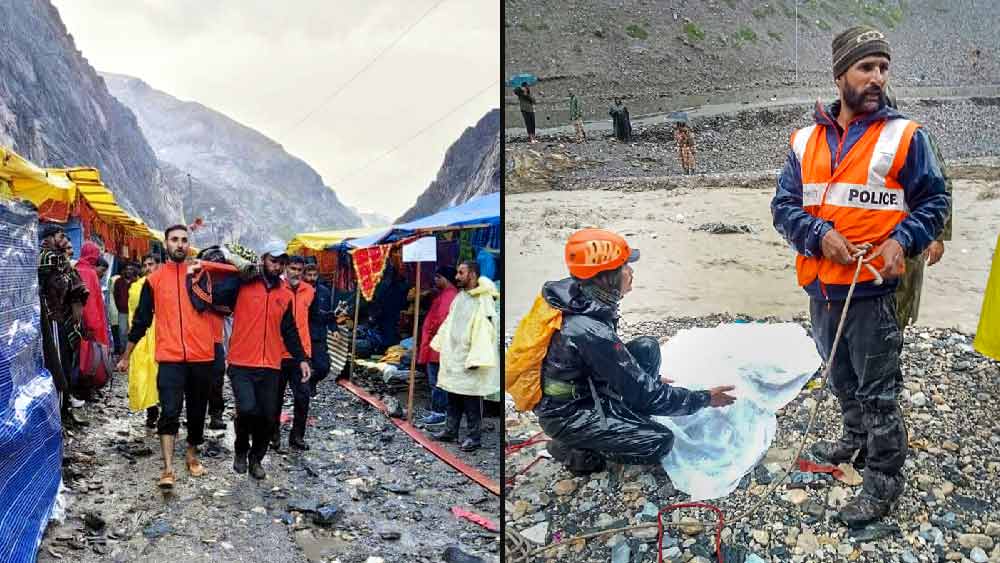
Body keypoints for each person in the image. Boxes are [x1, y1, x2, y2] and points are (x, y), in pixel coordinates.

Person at [770, 26, 950, 526]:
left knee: (879, 391)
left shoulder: (906, 136)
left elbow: (936, 201)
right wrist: (818, 235)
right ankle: (854, 441)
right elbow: (783, 206)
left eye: (883, 68)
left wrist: (901, 241)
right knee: (841, 378)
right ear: (840, 74)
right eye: (866, 67)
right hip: (822, 288)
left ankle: (883, 481)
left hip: (874, 292)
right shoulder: (805, 140)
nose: (877, 78)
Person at [524, 229, 734, 473]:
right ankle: (575, 449)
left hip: (585, 390)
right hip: (568, 413)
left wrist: (639, 379)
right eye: (625, 267)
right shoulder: (588, 329)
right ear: (606, 277)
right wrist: (705, 398)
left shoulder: (582, 296)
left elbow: (601, 360)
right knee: (658, 442)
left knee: (647, 347)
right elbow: (647, 393)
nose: (631, 272)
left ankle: (622, 419)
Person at [117, 225, 240, 489]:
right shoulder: (155, 280)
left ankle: (192, 454)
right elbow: (141, 321)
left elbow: (234, 279)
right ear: (166, 244)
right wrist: (126, 355)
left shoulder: (202, 274)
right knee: (169, 411)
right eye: (175, 240)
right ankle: (168, 468)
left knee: (197, 412)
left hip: (202, 357)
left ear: (189, 245)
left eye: (184, 240)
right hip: (170, 357)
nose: (180, 244)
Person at [227, 245, 310, 479]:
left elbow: (289, 329)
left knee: (267, 416)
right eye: (274, 261)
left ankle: (256, 458)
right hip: (241, 361)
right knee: (247, 409)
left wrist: (301, 358)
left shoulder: (284, 294)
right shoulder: (244, 284)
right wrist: (238, 275)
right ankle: (241, 450)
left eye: (281, 262)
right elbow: (219, 297)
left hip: (271, 364)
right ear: (263, 259)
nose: (277, 266)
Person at [883, 84, 952, 332]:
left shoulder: (912, 139)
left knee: (898, 307)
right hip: (865, 249)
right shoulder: (850, 140)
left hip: (908, 239)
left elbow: (939, 187)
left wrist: (937, 236)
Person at [429, 262, 500, 452]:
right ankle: (450, 431)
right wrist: (441, 343)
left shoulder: (483, 300)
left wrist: (477, 358)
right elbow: (449, 323)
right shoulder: (460, 297)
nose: (457, 276)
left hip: (470, 359)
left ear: (473, 275)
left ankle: (473, 437)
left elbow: (485, 332)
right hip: (455, 356)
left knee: (471, 402)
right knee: (453, 397)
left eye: (461, 273)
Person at [38, 225, 89, 426]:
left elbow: (74, 287)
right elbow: (43, 290)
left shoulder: (60, 260)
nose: (65, 239)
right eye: (61, 235)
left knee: (65, 362)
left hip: (60, 319)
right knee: (57, 364)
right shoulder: (46, 259)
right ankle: (59, 411)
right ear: (49, 238)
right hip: (50, 319)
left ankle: (64, 406)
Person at [271, 255, 317, 452]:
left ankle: (297, 436)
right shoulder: (276, 289)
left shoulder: (310, 291)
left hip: (302, 356)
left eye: (299, 269)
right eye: (292, 268)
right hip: (278, 353)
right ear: (285, 268)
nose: (296, 273)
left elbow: (311, 320)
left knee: (303, 397)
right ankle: (273, 435)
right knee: (275, 398)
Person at [417, 266, 459, 426]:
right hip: (438, 343)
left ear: (444, 279)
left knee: (438, 381)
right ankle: (441, 411)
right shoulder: (448, 295)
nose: (435, 280)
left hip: (438, 345)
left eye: (437, 277)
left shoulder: (449, 296)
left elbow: (441, 320)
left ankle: (439, 412)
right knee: (439, 380)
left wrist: (432, 332)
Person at [129, 254, 162, 428]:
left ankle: (165, 412)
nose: (148, 268)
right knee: (145, 374)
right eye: (145, 265)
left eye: (151, 264)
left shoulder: (165, 285)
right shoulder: (136, 288)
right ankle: (152, 411)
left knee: (161, 374)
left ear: (159, 265)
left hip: (163, 337)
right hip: (143, 338)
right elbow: (135, 314)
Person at [76, 242, 112, 400]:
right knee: (91, 358)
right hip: (90, 324)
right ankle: (87, 390)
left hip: (76, 323)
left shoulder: (76, 269)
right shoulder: (90, 273)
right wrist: (94, 325)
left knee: (78, 359)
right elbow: (91, 304)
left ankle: (79, 391)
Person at [303, 260, 334, 396]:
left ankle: (312, 382)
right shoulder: (299, 290)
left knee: (323, 367)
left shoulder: (324, 292)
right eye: (309, 275)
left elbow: (328, 313)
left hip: (318, 335)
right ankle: (302, 391)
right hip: (302, 334)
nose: (311, 278)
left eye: (314, 275)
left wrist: (334, 328)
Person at [113, 263, 137, 355]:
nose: (129, 271)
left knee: (132, 332)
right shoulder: (119, 282)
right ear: (124, 270)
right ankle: (123, 352)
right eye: (127, 269)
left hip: (134, 312)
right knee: (122, 332)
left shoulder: (136, 281)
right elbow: (116, 296)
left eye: (131, 269)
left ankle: (131, 353)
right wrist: (119, 306)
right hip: (122, 312)